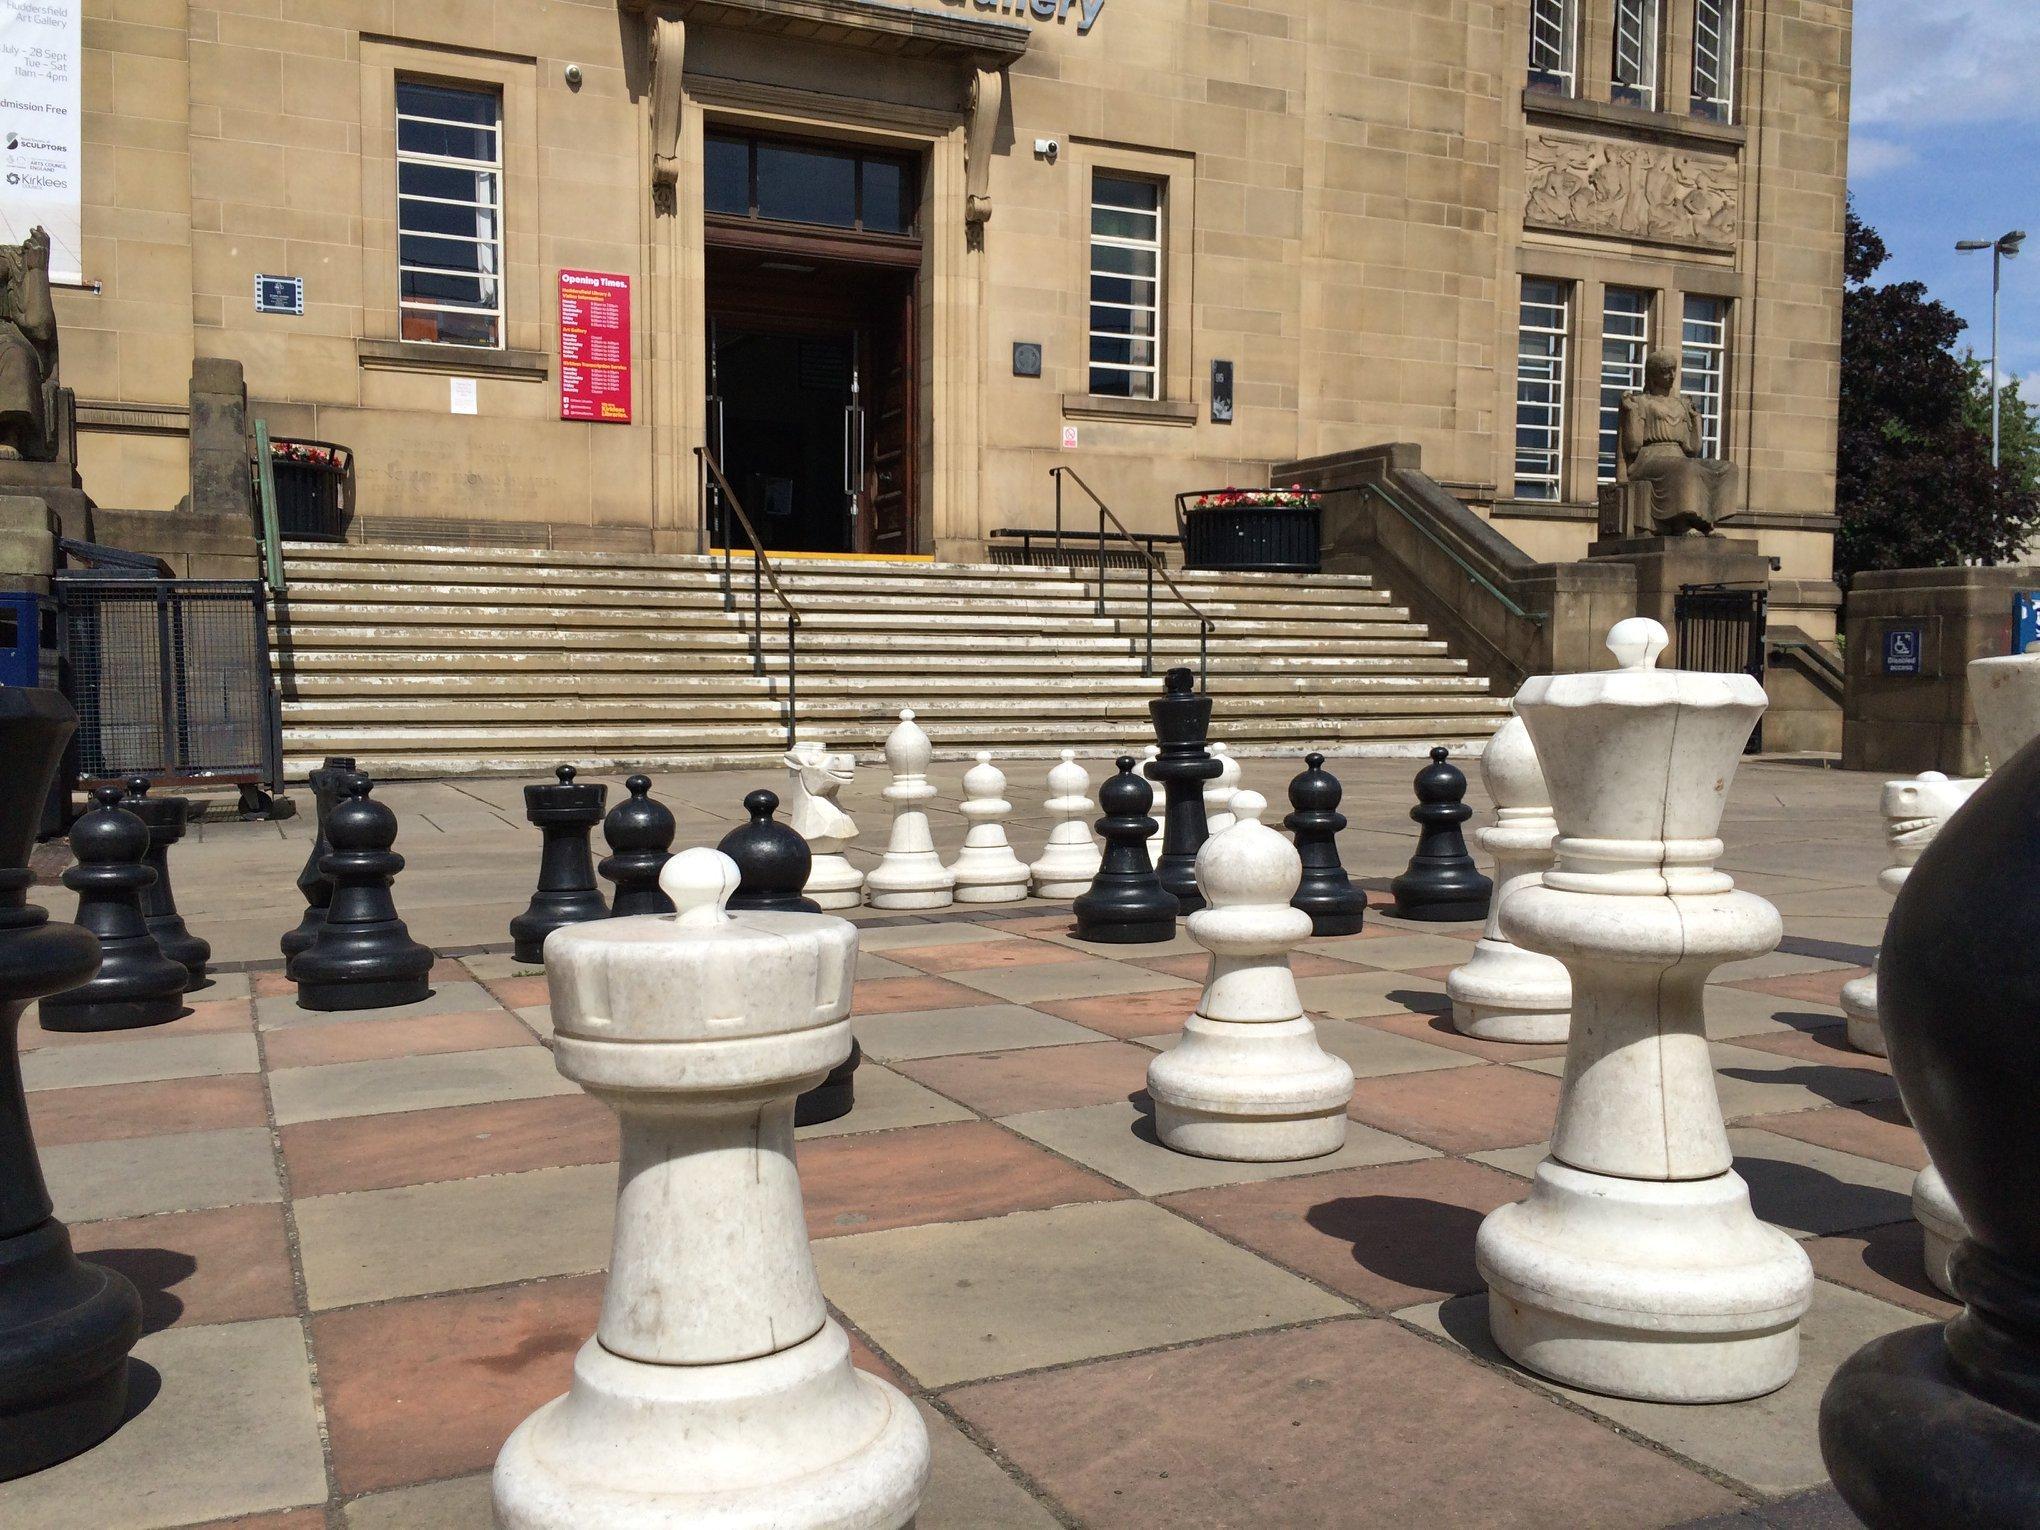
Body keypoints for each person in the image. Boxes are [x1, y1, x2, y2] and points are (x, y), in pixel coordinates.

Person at [1617, 348, 1734, 535]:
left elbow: (1692, 448)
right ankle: (1682, 523)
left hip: (1678, 457)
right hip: (1649, 459)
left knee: (1725, 468)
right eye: (1665, 370)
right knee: (1685, 468)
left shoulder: (1681, 404)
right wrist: (1631, 414)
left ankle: (1705, 521)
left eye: (1673, 370)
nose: (1671, 375)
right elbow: (1632, 447)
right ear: (1653, 375)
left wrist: (1696, 419)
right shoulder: (1640, 402)